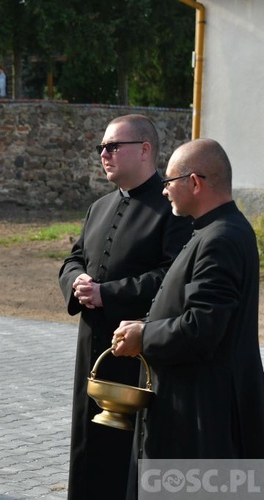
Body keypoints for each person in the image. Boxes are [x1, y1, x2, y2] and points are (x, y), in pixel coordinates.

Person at [113, 138, 264, 496]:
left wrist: (143, 336)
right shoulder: (214, 230)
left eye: (169, 182)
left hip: (205, 422)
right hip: (199, 414)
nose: (164, 191)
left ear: (194, 182)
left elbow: (202, 329)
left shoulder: (221, 238)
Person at [58, 114, 192, 500]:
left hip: (139, 350)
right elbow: (73, 259)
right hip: (92, 347)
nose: (104, 153)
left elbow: (173, 274)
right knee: (88, 443)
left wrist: (109, 294)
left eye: (113, 146)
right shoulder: (99, 206)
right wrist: (77, 282)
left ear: (145, 150)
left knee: (128, 454)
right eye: (102, 147)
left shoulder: (172, 208)